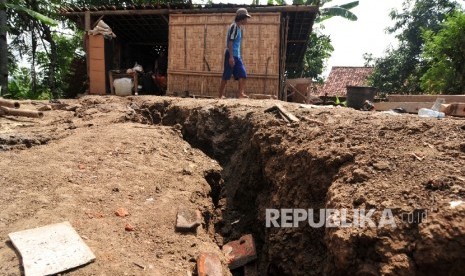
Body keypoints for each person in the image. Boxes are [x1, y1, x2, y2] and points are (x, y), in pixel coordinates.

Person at [218, 8, 251, 99]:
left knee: (242, 74)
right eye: (246, 18)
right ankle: (220, 96)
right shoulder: (234, 27)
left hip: (237, 55)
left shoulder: (239, 28)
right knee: (226, 75)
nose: (247, 20)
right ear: (242, 18)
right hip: (231, 54)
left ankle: (241, 94)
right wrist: (231, 57)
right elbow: (230, 42)